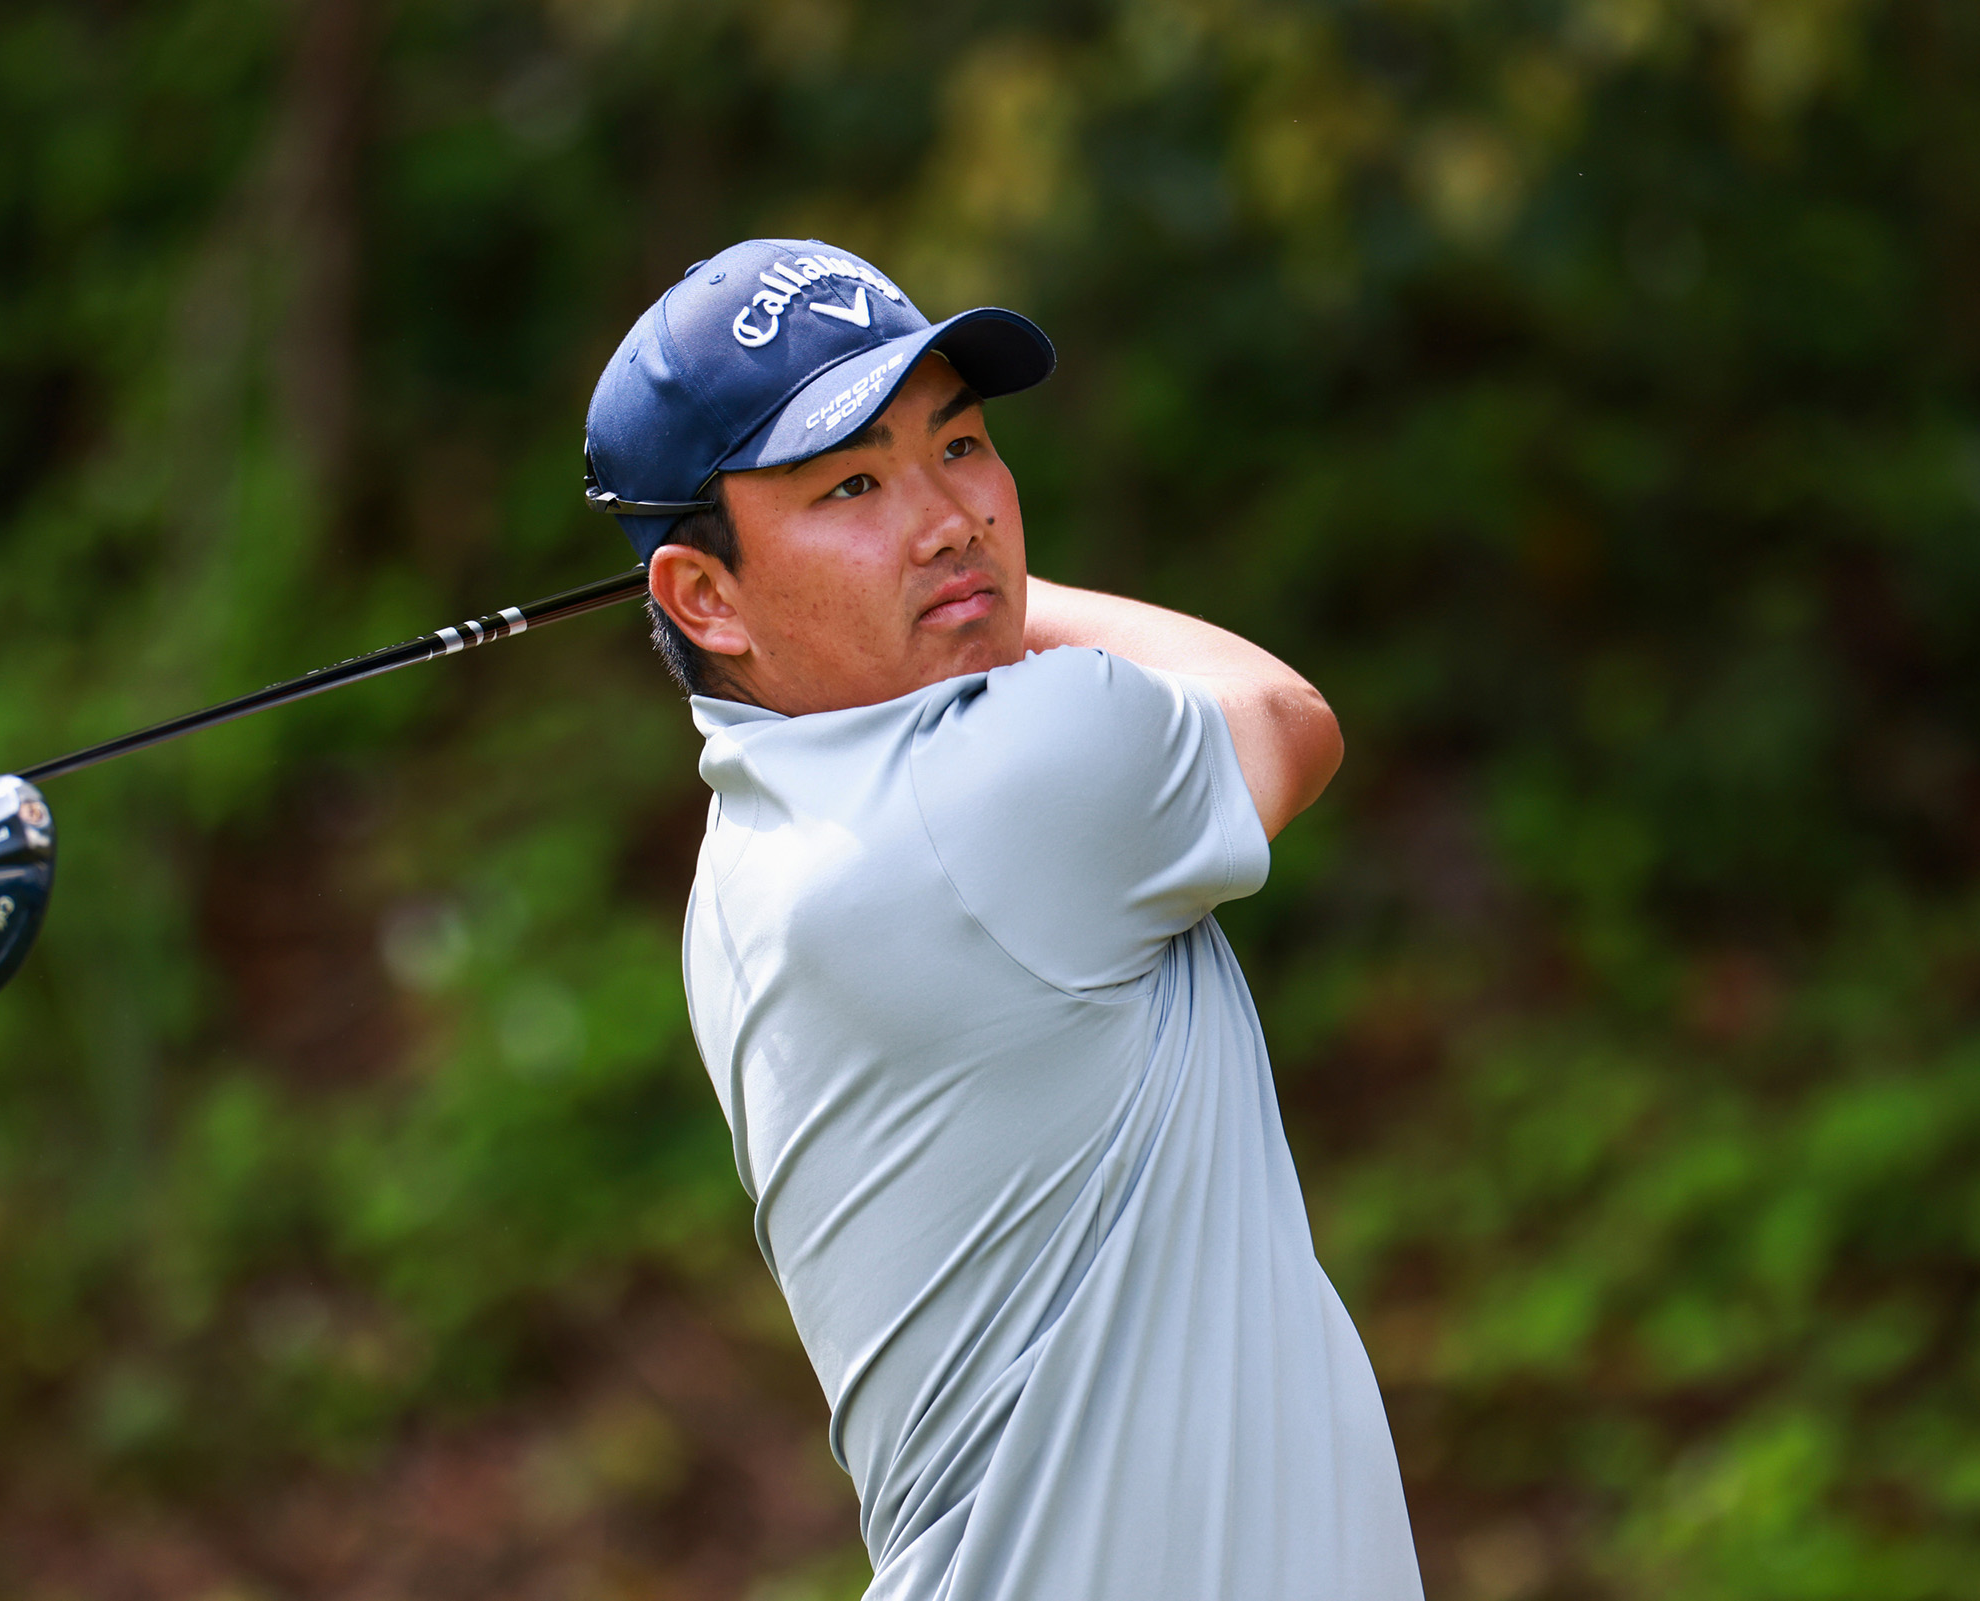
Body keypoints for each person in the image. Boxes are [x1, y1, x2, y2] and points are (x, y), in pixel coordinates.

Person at [583, 239, 1423, 1600]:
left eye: (960, 446)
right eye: (852, 484)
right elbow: (1286, 715)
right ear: (703, 596)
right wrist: (990, 592)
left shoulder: (749, 856)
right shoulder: (1009, 785)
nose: (949, 517)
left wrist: (935, 584)